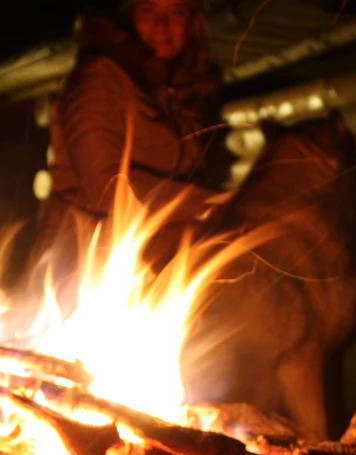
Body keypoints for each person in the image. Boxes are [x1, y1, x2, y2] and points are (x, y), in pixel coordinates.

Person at [33, 0, 234, 274]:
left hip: (150, 262)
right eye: (148, 10)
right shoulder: (101, 76)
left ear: (192, 23)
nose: (162, 26)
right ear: (127, 15)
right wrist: (213, 203)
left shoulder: (179, 91)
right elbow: (105, 187)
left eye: (176, 12)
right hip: (84, 262)